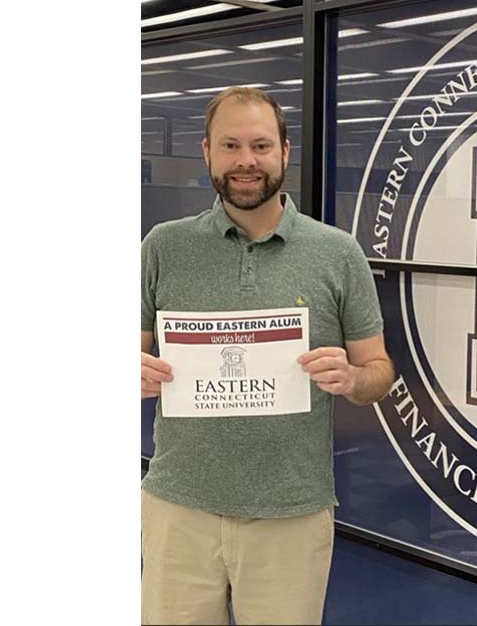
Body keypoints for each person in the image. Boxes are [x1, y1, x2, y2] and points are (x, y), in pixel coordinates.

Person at [140, 86, 394, 626]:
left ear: (284, 151)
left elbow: (380, 370)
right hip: (179, 508)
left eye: (260, 145)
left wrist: (352, 378)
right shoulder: (163, 245)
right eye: (230, 146)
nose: (246, 161)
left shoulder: (336, 252)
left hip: (293, 514)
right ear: (207, 153)